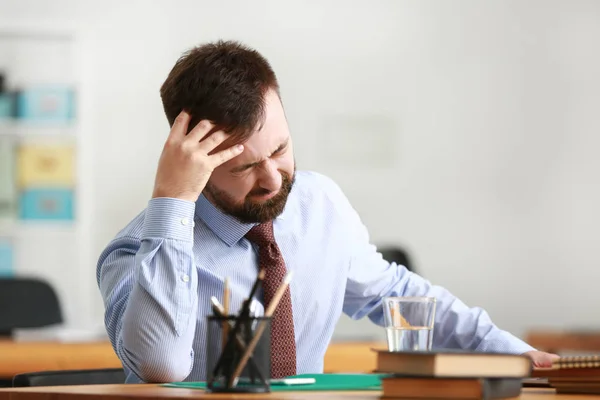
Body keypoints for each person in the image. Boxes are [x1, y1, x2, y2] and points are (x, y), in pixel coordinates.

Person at [96, 40, 558, 384]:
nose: (274, 179)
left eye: (280, 149)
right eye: (245, 167)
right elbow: (162, 366)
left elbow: (394, 294)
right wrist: (172, 201)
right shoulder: (134, 252)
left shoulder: (319, 204)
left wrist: (512, 352)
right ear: (195, 163)